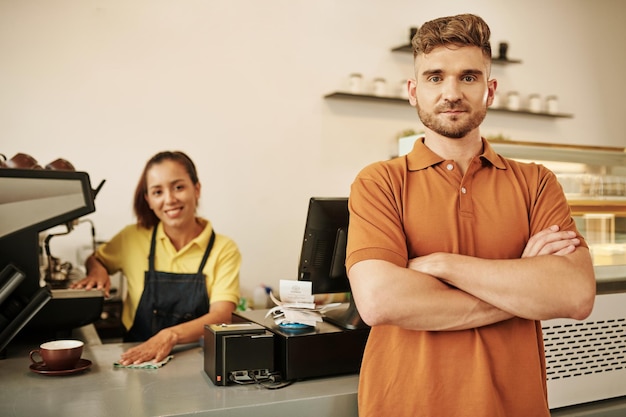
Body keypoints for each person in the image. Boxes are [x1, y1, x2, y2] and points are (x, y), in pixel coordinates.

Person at [345, 14, 596, 417]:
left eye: (467, 77)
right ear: (413, 91)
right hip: (406, 407)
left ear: (489, 89)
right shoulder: (379, 182)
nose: (451, 92)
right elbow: (380, 301)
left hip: (515, 406)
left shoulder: (536, 182)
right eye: (434, 77)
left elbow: (576, 294)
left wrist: (442, 265)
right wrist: (522, 283)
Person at [71, 151, 241, 365]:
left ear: (196, 190)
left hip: (196, 362)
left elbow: (222, 316)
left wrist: (170, 336)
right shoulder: (131, 237)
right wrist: (97, 270)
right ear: (148, 200)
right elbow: (97, 259)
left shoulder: (223, 248)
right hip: (136, 359)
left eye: (178, 187)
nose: (169, 199)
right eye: (157, 192)